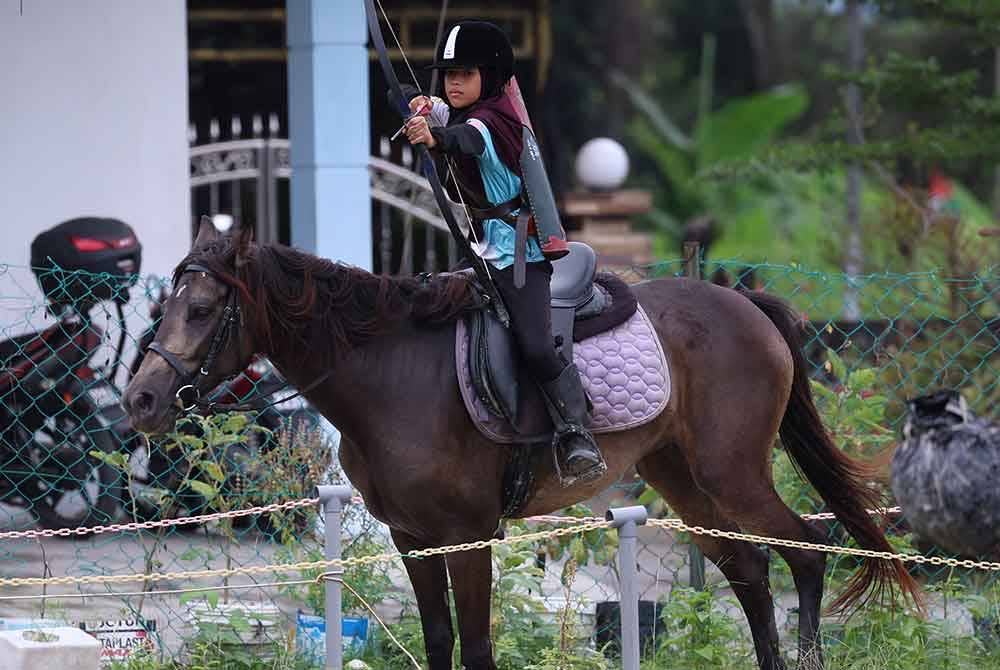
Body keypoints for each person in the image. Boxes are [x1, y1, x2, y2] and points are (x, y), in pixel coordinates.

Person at [399, 20, 606, 487]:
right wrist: (418, 101)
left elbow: (465, 138)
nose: (453, 82)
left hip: (520, 257)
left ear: (489, 77)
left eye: (465, 73)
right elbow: (440, 111)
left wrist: (433, 137)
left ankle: (577, 433)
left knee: (535, 343)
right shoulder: (464, 108)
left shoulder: (494, 121)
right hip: (482, 252)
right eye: (448, 73)